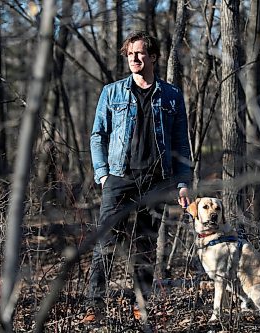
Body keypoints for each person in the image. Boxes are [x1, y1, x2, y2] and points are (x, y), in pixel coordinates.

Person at [85, 31, 191, 326]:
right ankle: (95, 306)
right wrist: (103, 174)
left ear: (153, 57)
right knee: (105, 243)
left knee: (145, 245)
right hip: (119, 177)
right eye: (130, 54)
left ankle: (140, 305)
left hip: (156, 181)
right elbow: (98, 136)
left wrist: (183, 182)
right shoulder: (112, 92)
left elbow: (181, 142)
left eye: (140, 53)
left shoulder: (171, 96)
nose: (133, 58)